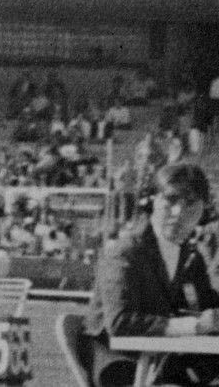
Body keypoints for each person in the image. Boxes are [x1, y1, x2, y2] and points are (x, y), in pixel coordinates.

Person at [84, 162, 219, 386]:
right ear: (152, 201)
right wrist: (193, 325)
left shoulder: (191, 256)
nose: (179, 212)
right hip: (117, 362)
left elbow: (207, 307)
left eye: (190, 203)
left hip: (161, 360)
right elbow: (120, 322)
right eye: (171, 200)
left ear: (204, 209)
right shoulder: (124, 252)